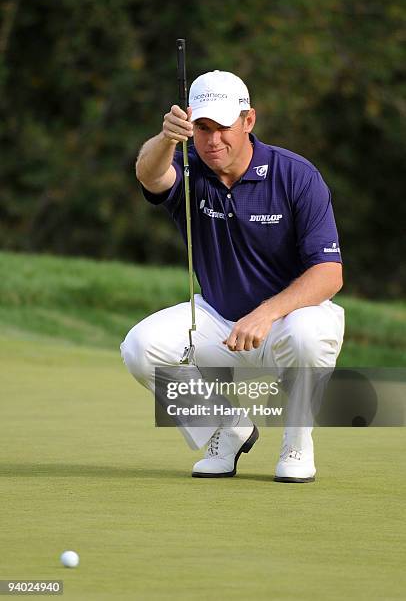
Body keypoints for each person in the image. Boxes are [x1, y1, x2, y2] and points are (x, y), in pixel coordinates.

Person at [121, 70, 345, 482]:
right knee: (141, 347)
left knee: (308, 334)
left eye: (222, 127)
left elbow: (329, 274)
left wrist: (266, 314)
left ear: (248, 121)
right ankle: (228, 426)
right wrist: (168, 138)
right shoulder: (188, 168)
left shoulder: (295, 175)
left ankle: (297, 441)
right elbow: (150, 175)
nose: (212, 141)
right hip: (218, 321)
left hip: (286, 323)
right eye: (201, 128)